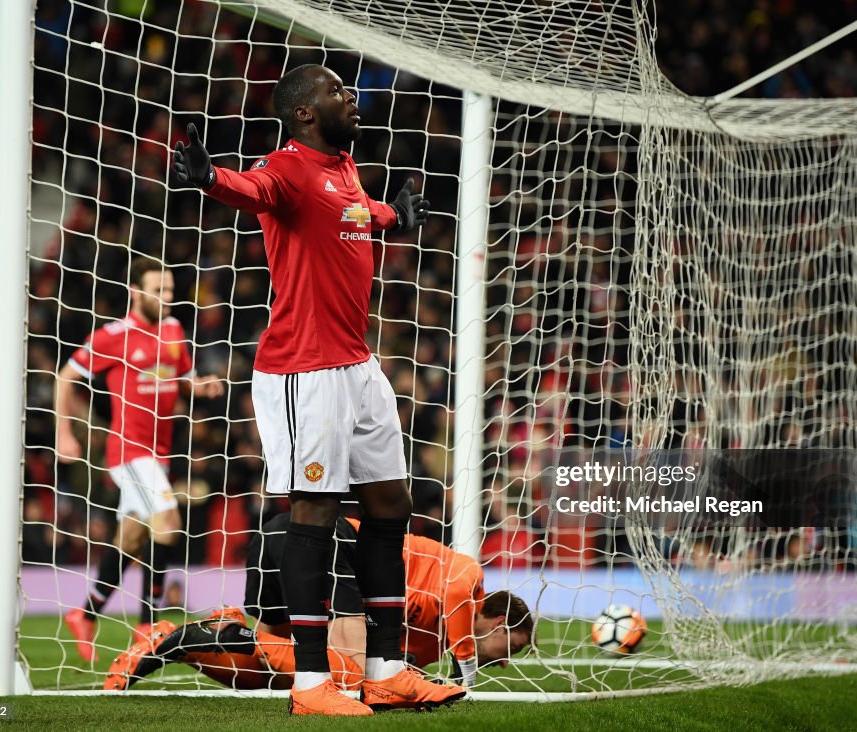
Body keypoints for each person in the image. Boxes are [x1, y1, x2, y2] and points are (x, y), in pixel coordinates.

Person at [172, 64, 443, 716]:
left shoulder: (344, 166)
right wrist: (212, 179)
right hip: (304, 371)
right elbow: (253, 189)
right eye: (336, 91)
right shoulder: (288, 168)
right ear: (303, 113)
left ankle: (387, 670)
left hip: (357, 367)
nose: (350, 96)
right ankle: (312, 683)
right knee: (313, 511)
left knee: (389, 506)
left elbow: (354, 211)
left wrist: (391, 217)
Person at [105, 514, 533, 700]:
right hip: (326, 544)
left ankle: (176, 639)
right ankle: (213, 634)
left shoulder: (432, 644)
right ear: (496, 622)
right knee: (345, 669)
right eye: (509, 650)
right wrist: (467, 673)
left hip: (285, 542)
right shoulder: (468, 578)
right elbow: (457, 596)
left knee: (274, 674)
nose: (506, 664)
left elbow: (398, 666)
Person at [57, 257, 224, 662]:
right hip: (128, 451)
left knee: (131, 540)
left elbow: (180, 378)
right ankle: (149, 622)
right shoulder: (113, 336)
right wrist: (63, 432)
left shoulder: (174, 330)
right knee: (168, 522)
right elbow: (66, 376)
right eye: (158, 290)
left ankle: (85, 612)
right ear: (136, 291)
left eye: (169, 290)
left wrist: (199, 387)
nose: (167, 297)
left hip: (160, 453)